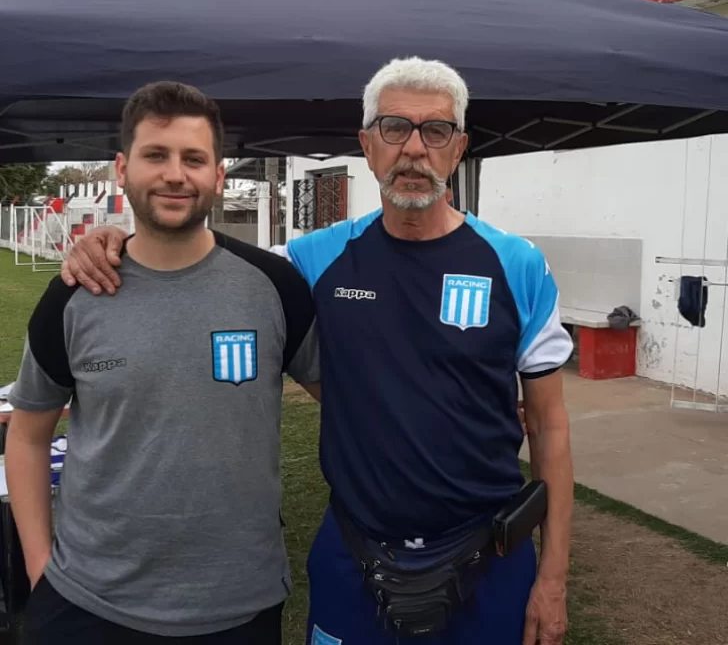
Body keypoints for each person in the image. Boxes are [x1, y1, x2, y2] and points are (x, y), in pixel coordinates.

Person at [60, 57, 574, 645]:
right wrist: (115, 238)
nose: (413, 149)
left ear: (457, 149)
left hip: (489, 557)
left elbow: (551, 428)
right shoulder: (310, 263)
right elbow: (200, 254)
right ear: (366, 145)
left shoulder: (518, 266)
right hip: (354, 554)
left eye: (435, 131)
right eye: (393, 128)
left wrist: (553, 577)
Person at [7, 81, 320, 645]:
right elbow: (28, 437)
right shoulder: (75, 293)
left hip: (238, 607)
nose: (176, 174)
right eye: (157, 155)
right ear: (122, 168)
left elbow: (351, 403)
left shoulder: (274, 287)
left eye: (194, 159)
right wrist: (40, 572)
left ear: (218, 176)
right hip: (86, 604)